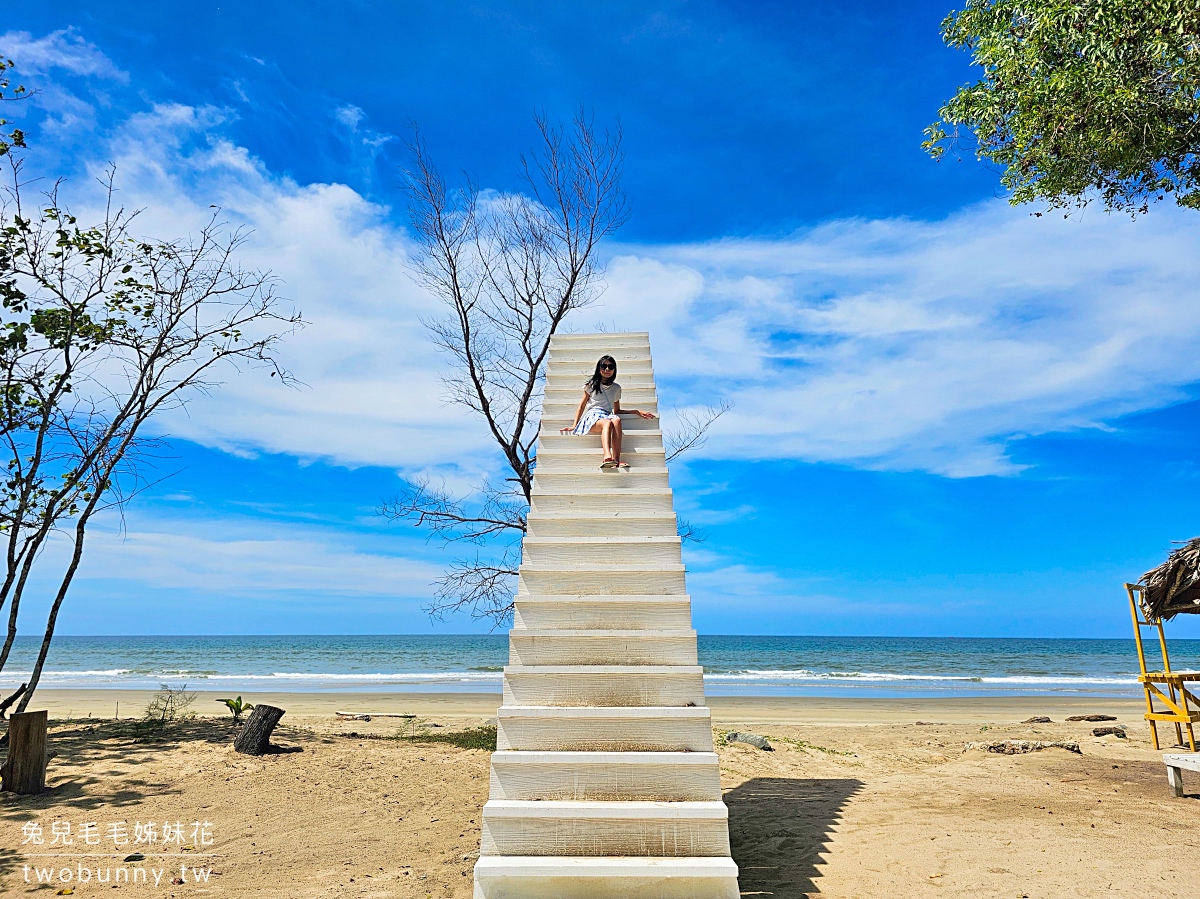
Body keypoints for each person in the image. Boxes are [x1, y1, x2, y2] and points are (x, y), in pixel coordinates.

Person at [560, 354, 657, 469]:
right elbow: (581, 406)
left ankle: (616, 461)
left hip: (607, 414)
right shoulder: (592, 385)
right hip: (593, 416)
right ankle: (607, 456)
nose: (607, 369)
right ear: (599, 368)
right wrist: (574, 425)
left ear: (614, 369)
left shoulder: (616, 388)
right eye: (604, 366)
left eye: (610, 367)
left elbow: (617, 410)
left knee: (616, 420)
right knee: (607, 423)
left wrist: (636, 411)